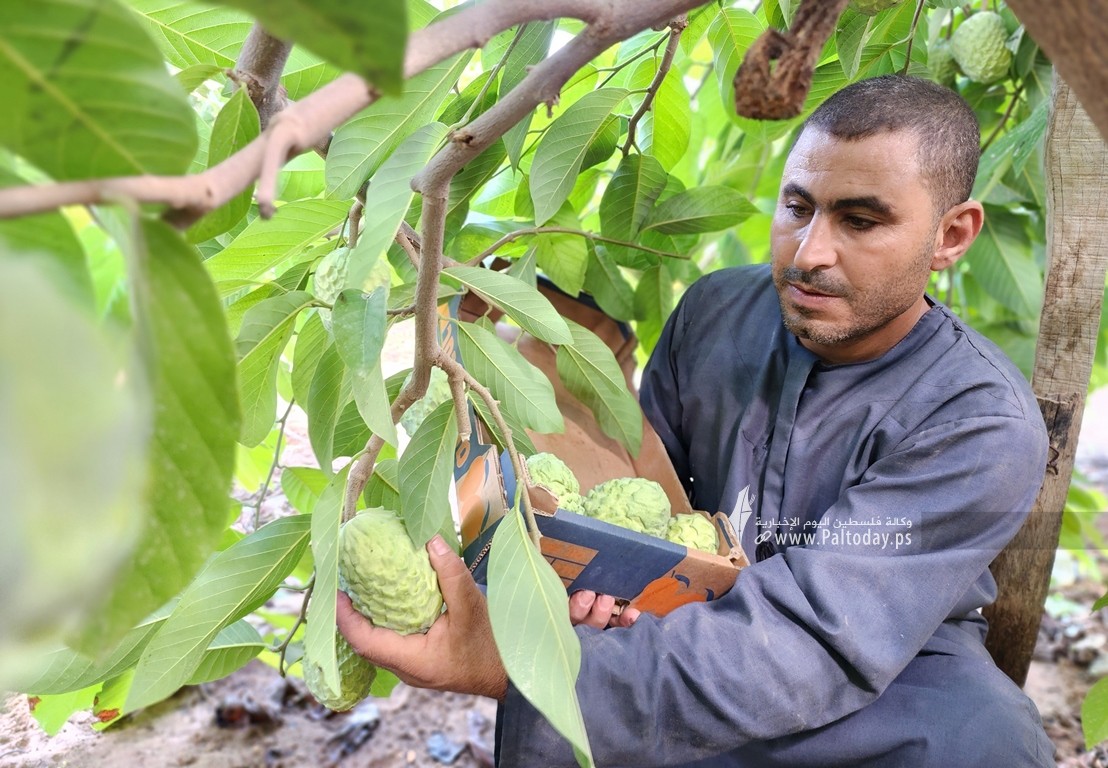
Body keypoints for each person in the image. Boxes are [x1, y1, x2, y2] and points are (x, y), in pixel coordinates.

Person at [337, 74, 1055, 767]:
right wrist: (593, 587)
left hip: (882, 679)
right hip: (685, 623)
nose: (811, 254)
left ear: (952, 235)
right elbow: (638, 501)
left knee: (983, 738)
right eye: (797, 208)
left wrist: (512, 665)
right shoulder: (715, 313)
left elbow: (821, 640)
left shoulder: (979, 421)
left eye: (861, 220)